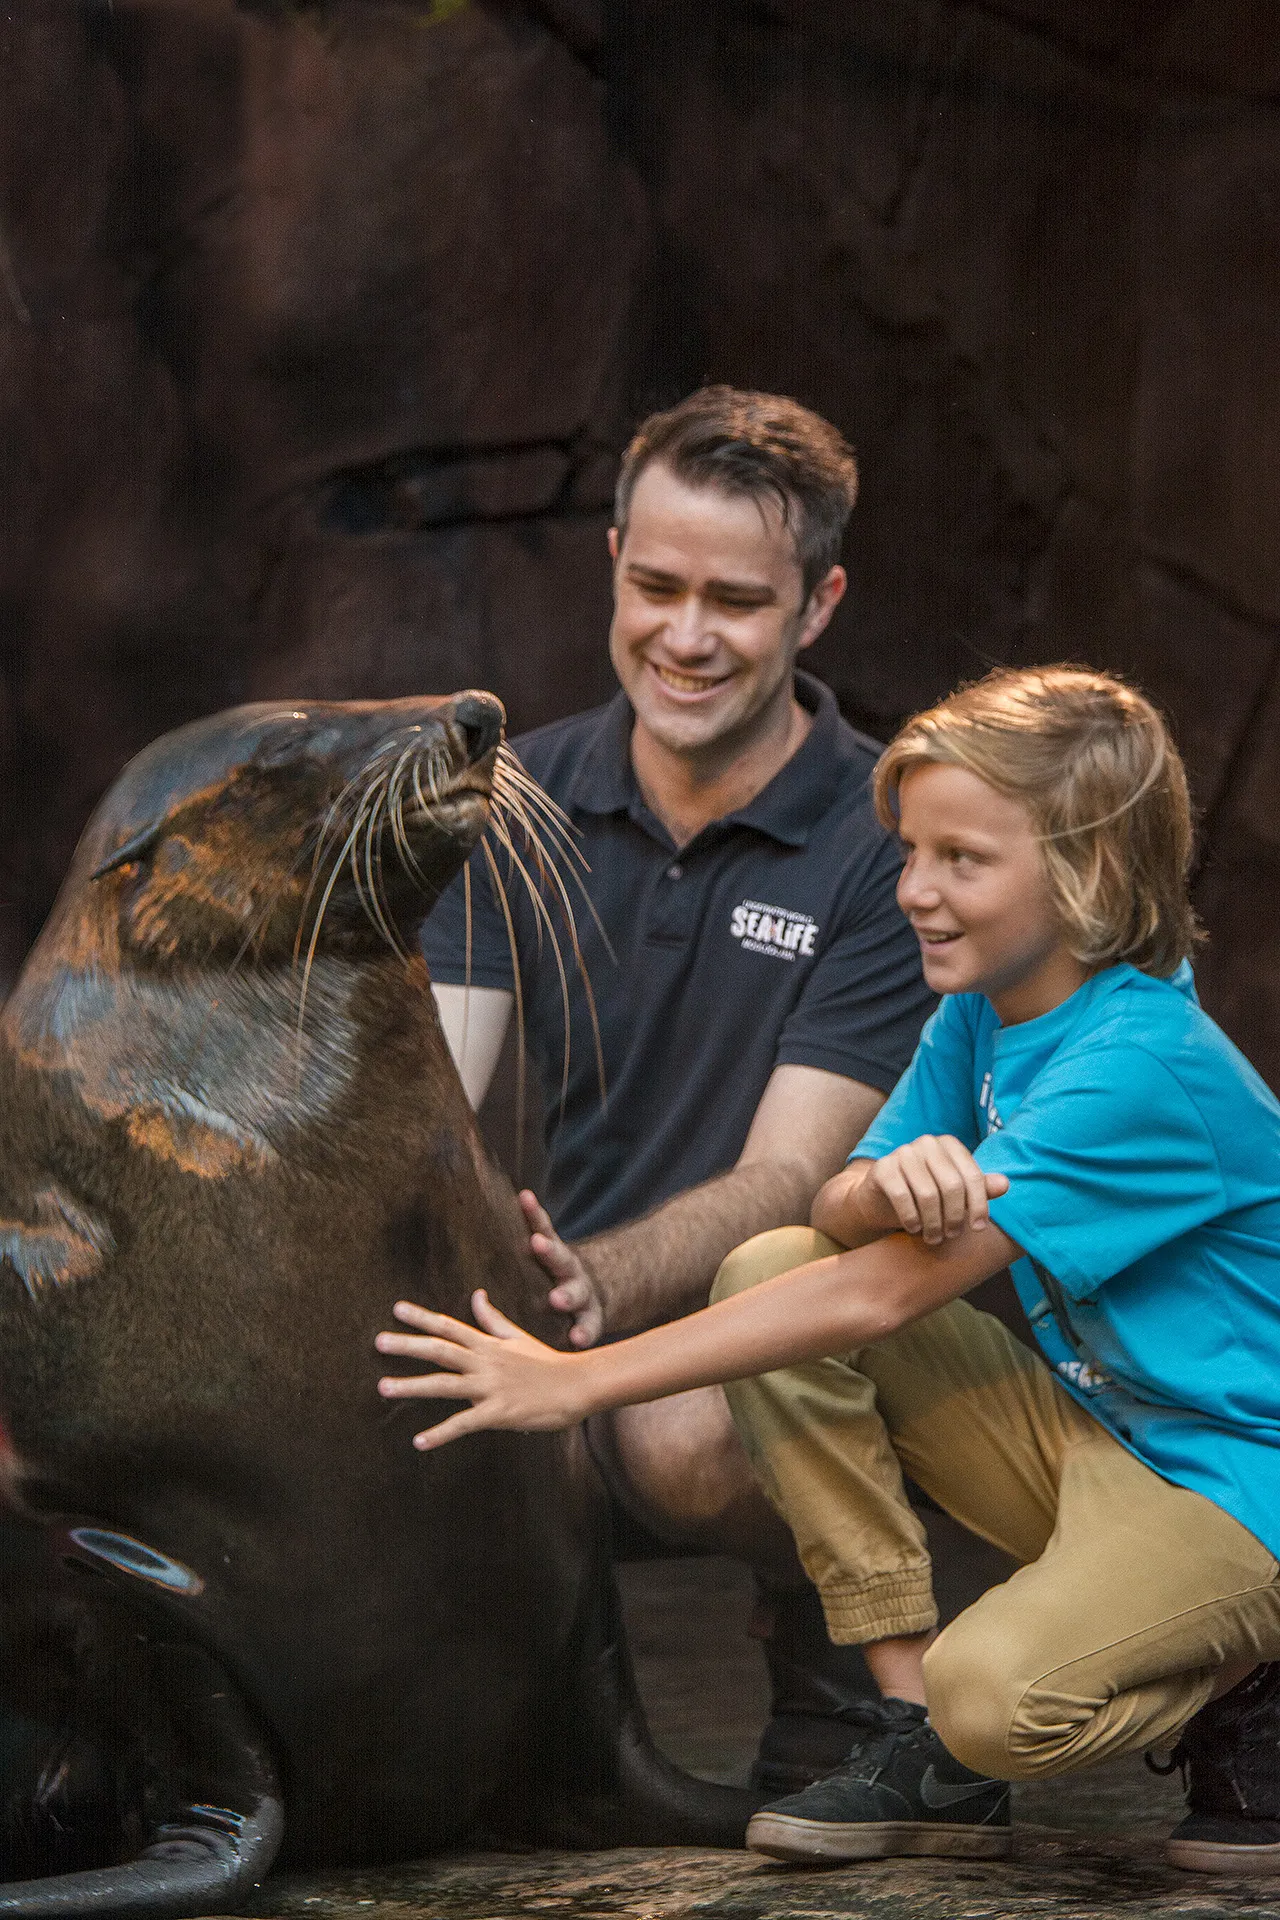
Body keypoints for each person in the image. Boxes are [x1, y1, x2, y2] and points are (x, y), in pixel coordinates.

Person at [382, 666, 1280, 1875]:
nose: (913, 890)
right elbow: (830, 1212)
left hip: (1238, 1488)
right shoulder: (983, 1011)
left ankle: (1235, 1679)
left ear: (1089, 871)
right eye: (909, 851)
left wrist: (575, 1382)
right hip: (1102, 1441)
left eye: (962, 859)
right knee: (767, 1263)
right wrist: (884, 1183)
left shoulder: (1140, 1066)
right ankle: (914, 1733)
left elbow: (876, 1293)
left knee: (998, 1699)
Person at [419, 386, 938, 1787]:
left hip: (795, 1328)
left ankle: (832, 1643)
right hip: (559, 1301)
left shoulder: (891, 840)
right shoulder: (513, 796)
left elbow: (795, 1179)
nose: (687, 637)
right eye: (656, 585)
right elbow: (431, 1107)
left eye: (738, 601)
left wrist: (589, 1293)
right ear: (612, 566)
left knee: (679, 1429)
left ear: (818, 605)